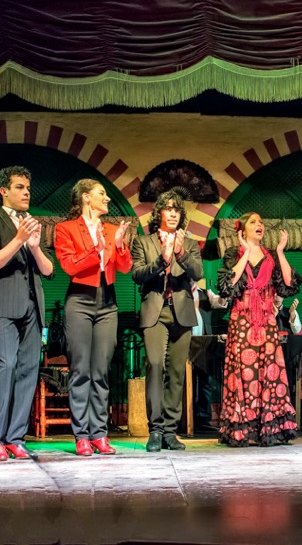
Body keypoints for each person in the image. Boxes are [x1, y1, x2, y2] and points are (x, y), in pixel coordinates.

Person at [0, 166, 55, 462]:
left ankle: (16, 438)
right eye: (20, 187)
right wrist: (18, 239)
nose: (26, 193)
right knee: (6, 365)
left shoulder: (32, 223)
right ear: (4, 191)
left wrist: (34, 246)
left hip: (32, 306)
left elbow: (48, 270)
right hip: (2, 306)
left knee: (27, 371)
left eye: (28, 188)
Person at [54, 179, 132, 456]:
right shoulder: (65, 229)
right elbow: (68, 266)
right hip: (79, 301)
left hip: (107, 302)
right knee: (81, 371)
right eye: (102, 194)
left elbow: (124, 267)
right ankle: (81, 436)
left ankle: (99, 433)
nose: (108, 199)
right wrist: (95, 250)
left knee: (101, 371)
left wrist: (119, 244)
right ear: (86, 197)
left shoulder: (110, 229)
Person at [217, 212, 301, 447]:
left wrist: (281, 252)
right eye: (254, 222)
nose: (259, 225)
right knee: (244, 373)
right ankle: (244, 428)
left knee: (270, 372)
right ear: (242, 230)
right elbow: (229, 283)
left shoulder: (271, 256)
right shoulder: (234, 254)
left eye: (261, 222)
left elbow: (287, 283)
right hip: (242, 321)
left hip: (266, 323)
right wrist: (244, 251)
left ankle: (269, 426)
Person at [131, 189, 203, 452]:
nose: (173, 212)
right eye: (168, 208)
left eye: (177, 209)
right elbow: (137, 274)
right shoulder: (143, 241)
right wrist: (162, 259)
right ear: (159, 213)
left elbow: (198, 271)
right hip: (155, 312)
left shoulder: (191, 244)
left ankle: (171, 431)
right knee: (155, 364)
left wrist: (181, 253)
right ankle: (156, 430)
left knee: (175, 372)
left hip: (181, 312)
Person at [190, 280, 227, 430]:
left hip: (204, 344)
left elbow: (219, 302)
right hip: (187, 342)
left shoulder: (205, 293)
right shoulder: (180, 292)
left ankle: (204, 418)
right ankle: (186, 418)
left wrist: (224, 296)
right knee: (186, 382)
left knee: (205, 381)